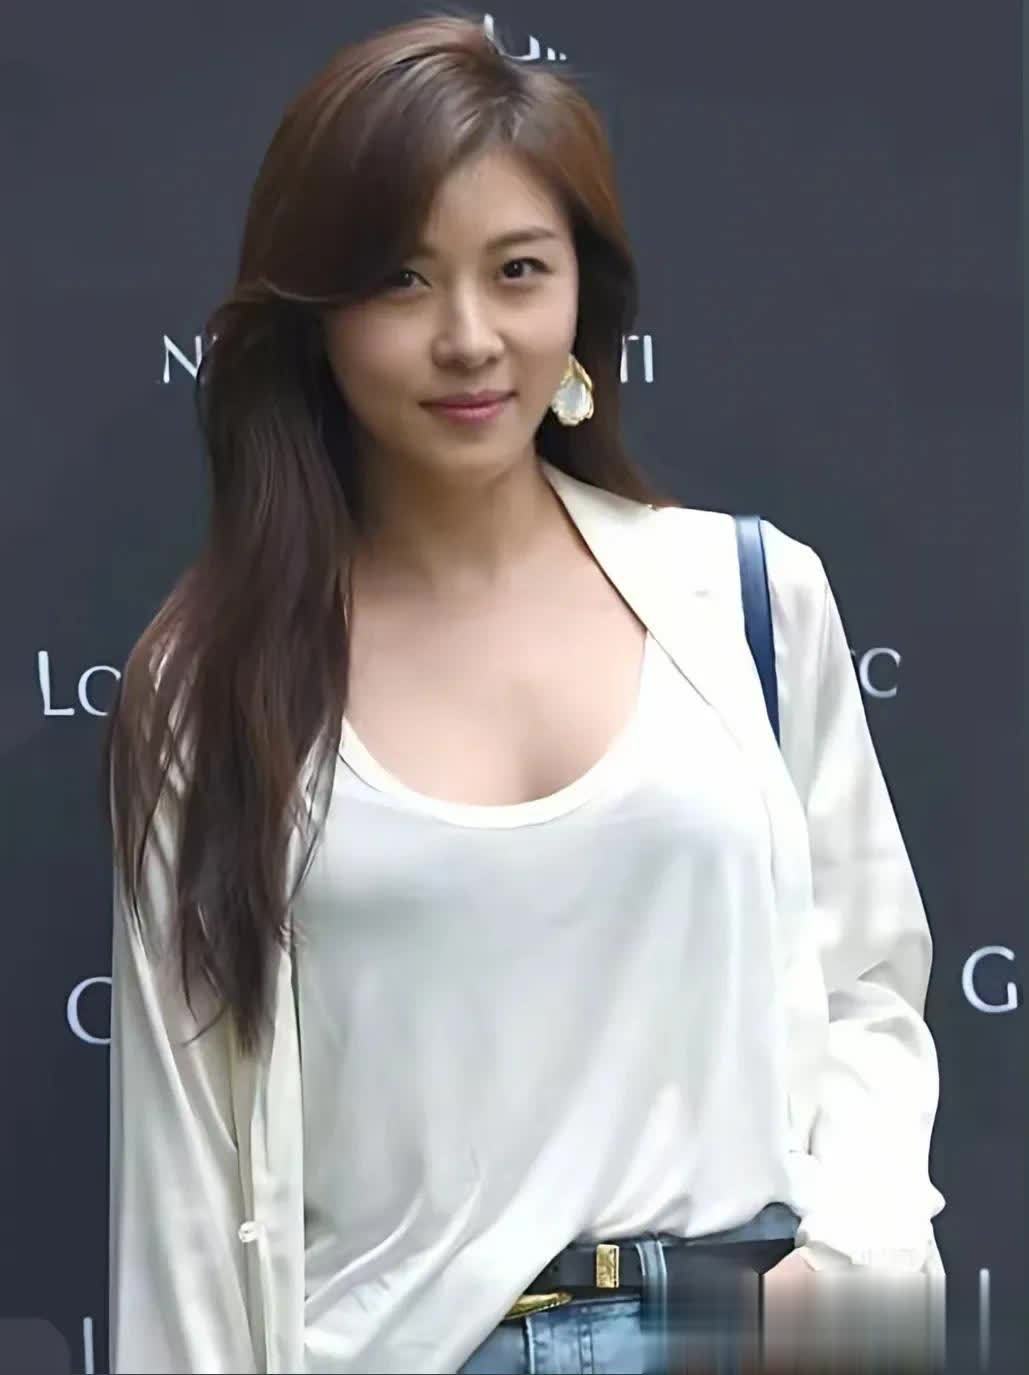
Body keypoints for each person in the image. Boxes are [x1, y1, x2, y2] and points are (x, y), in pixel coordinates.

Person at [105, 14, 946, 1375]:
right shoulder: (211, 683)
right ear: (316, 317)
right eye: (400, 279)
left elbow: (868, 992)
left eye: (517, 272)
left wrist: (846, 1291)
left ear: (578, 300)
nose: (468, 338)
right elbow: (186, 1177)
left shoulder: (748, 599)